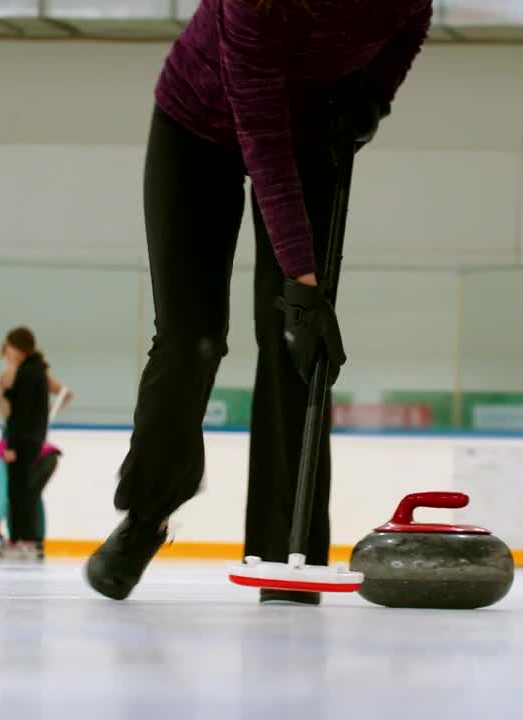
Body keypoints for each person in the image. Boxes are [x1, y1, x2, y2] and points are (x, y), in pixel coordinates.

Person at [83, 0, 432, 603]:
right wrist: (301, 285)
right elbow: (263, 145)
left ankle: (285, 551)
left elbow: (411, 24)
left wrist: (375, 92)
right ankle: (146, 516)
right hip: (197, 127)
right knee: (191, 338)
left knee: (298, 349)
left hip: (312, 131)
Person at [0, 327, 50, 559]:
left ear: (18, 348)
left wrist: (12, 445)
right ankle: (23, 538)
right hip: (32, 438)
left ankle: (22, 538)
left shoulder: (29, 372)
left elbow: (21, 413)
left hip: (23, 441)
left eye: (9, 347)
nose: (7, 352)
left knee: (19, 490)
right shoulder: (36, 370)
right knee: (22, 489)